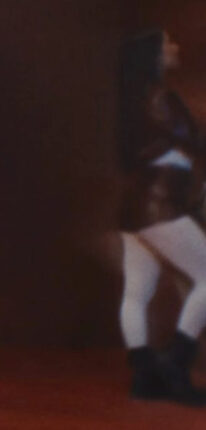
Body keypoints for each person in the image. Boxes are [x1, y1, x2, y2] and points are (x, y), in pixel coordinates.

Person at [118, 29, 206, 406]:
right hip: (159, 204)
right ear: (154, 53)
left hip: (134, 207)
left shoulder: (132, 100)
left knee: (137, 292)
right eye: (168, 42)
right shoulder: (159, 97)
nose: (175, 47)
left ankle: (144, 376)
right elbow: (190, 142)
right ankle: (175, 363)